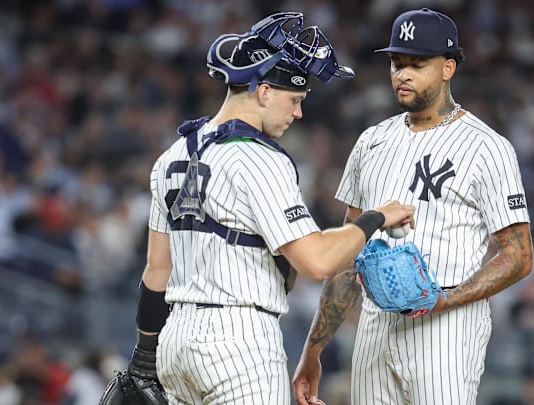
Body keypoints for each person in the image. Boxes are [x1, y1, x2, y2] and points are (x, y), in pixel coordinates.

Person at [119, 12, 416, 405]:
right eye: (295, 100)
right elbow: (316, 261)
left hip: (175, 345)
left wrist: (144, 354)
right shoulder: (260, 158)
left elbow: (157, 270)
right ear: (263, 93)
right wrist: (376, 217)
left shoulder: (173, 155)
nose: (298, 113)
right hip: (238, 340)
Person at [293, 8, 533, 405]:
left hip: (447, 327)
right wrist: (314, 349)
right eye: (396, 62)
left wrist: (446, 300)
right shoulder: (371, 142)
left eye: (417, 64)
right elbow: (346, 258)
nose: (402, 73)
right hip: (374, 324)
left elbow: (519, 256)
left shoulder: (487, 147)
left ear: (448, 68)